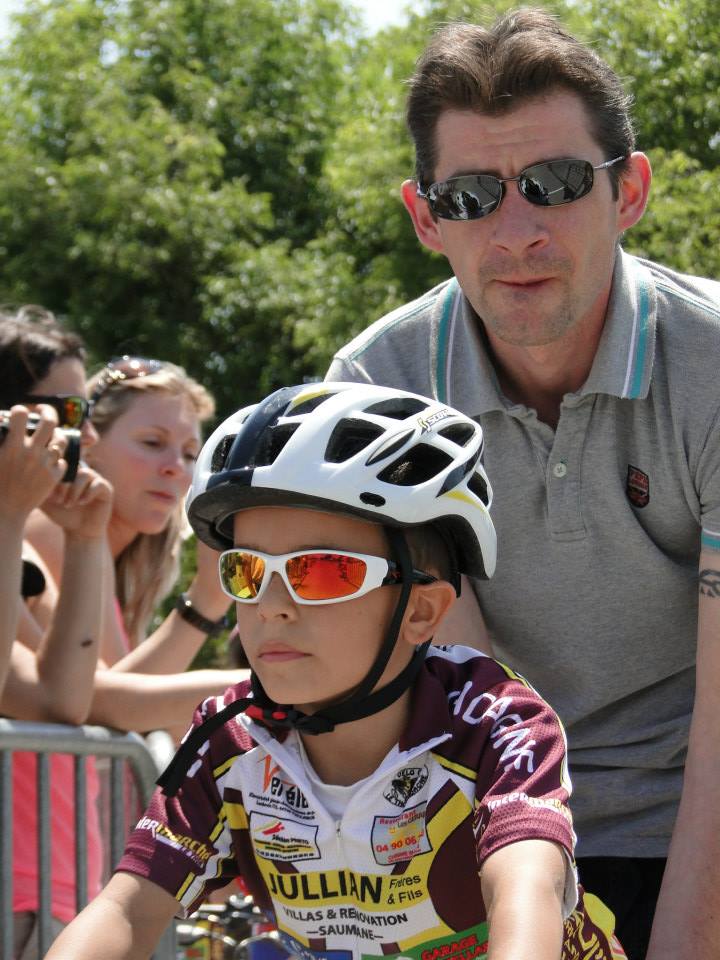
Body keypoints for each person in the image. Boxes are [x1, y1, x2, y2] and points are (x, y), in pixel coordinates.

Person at [325, 9, 720, 960]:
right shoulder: (379, 388)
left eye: (556, 184)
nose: (515, 231)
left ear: (629, 192)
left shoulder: (711, 364)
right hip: (504, 830)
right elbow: (466, 703)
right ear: (425, 218)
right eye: (469, 196)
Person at [46, 381, 626, 960]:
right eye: (247, 571)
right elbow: (126, 910)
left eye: (322, 571)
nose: (271, 605)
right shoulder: (229, 740)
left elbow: (524, 893)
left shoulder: (495, 722)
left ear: (420, 612)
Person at [0, 314, 240, 958]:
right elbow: (101, 703)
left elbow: (74, 696)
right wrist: (267, 685)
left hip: (56, 877)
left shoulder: (59, 539)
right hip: (26, 876)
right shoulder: (31, 532)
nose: (176, 470)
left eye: (189, 454)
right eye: (153, 443)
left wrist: (204, 603)